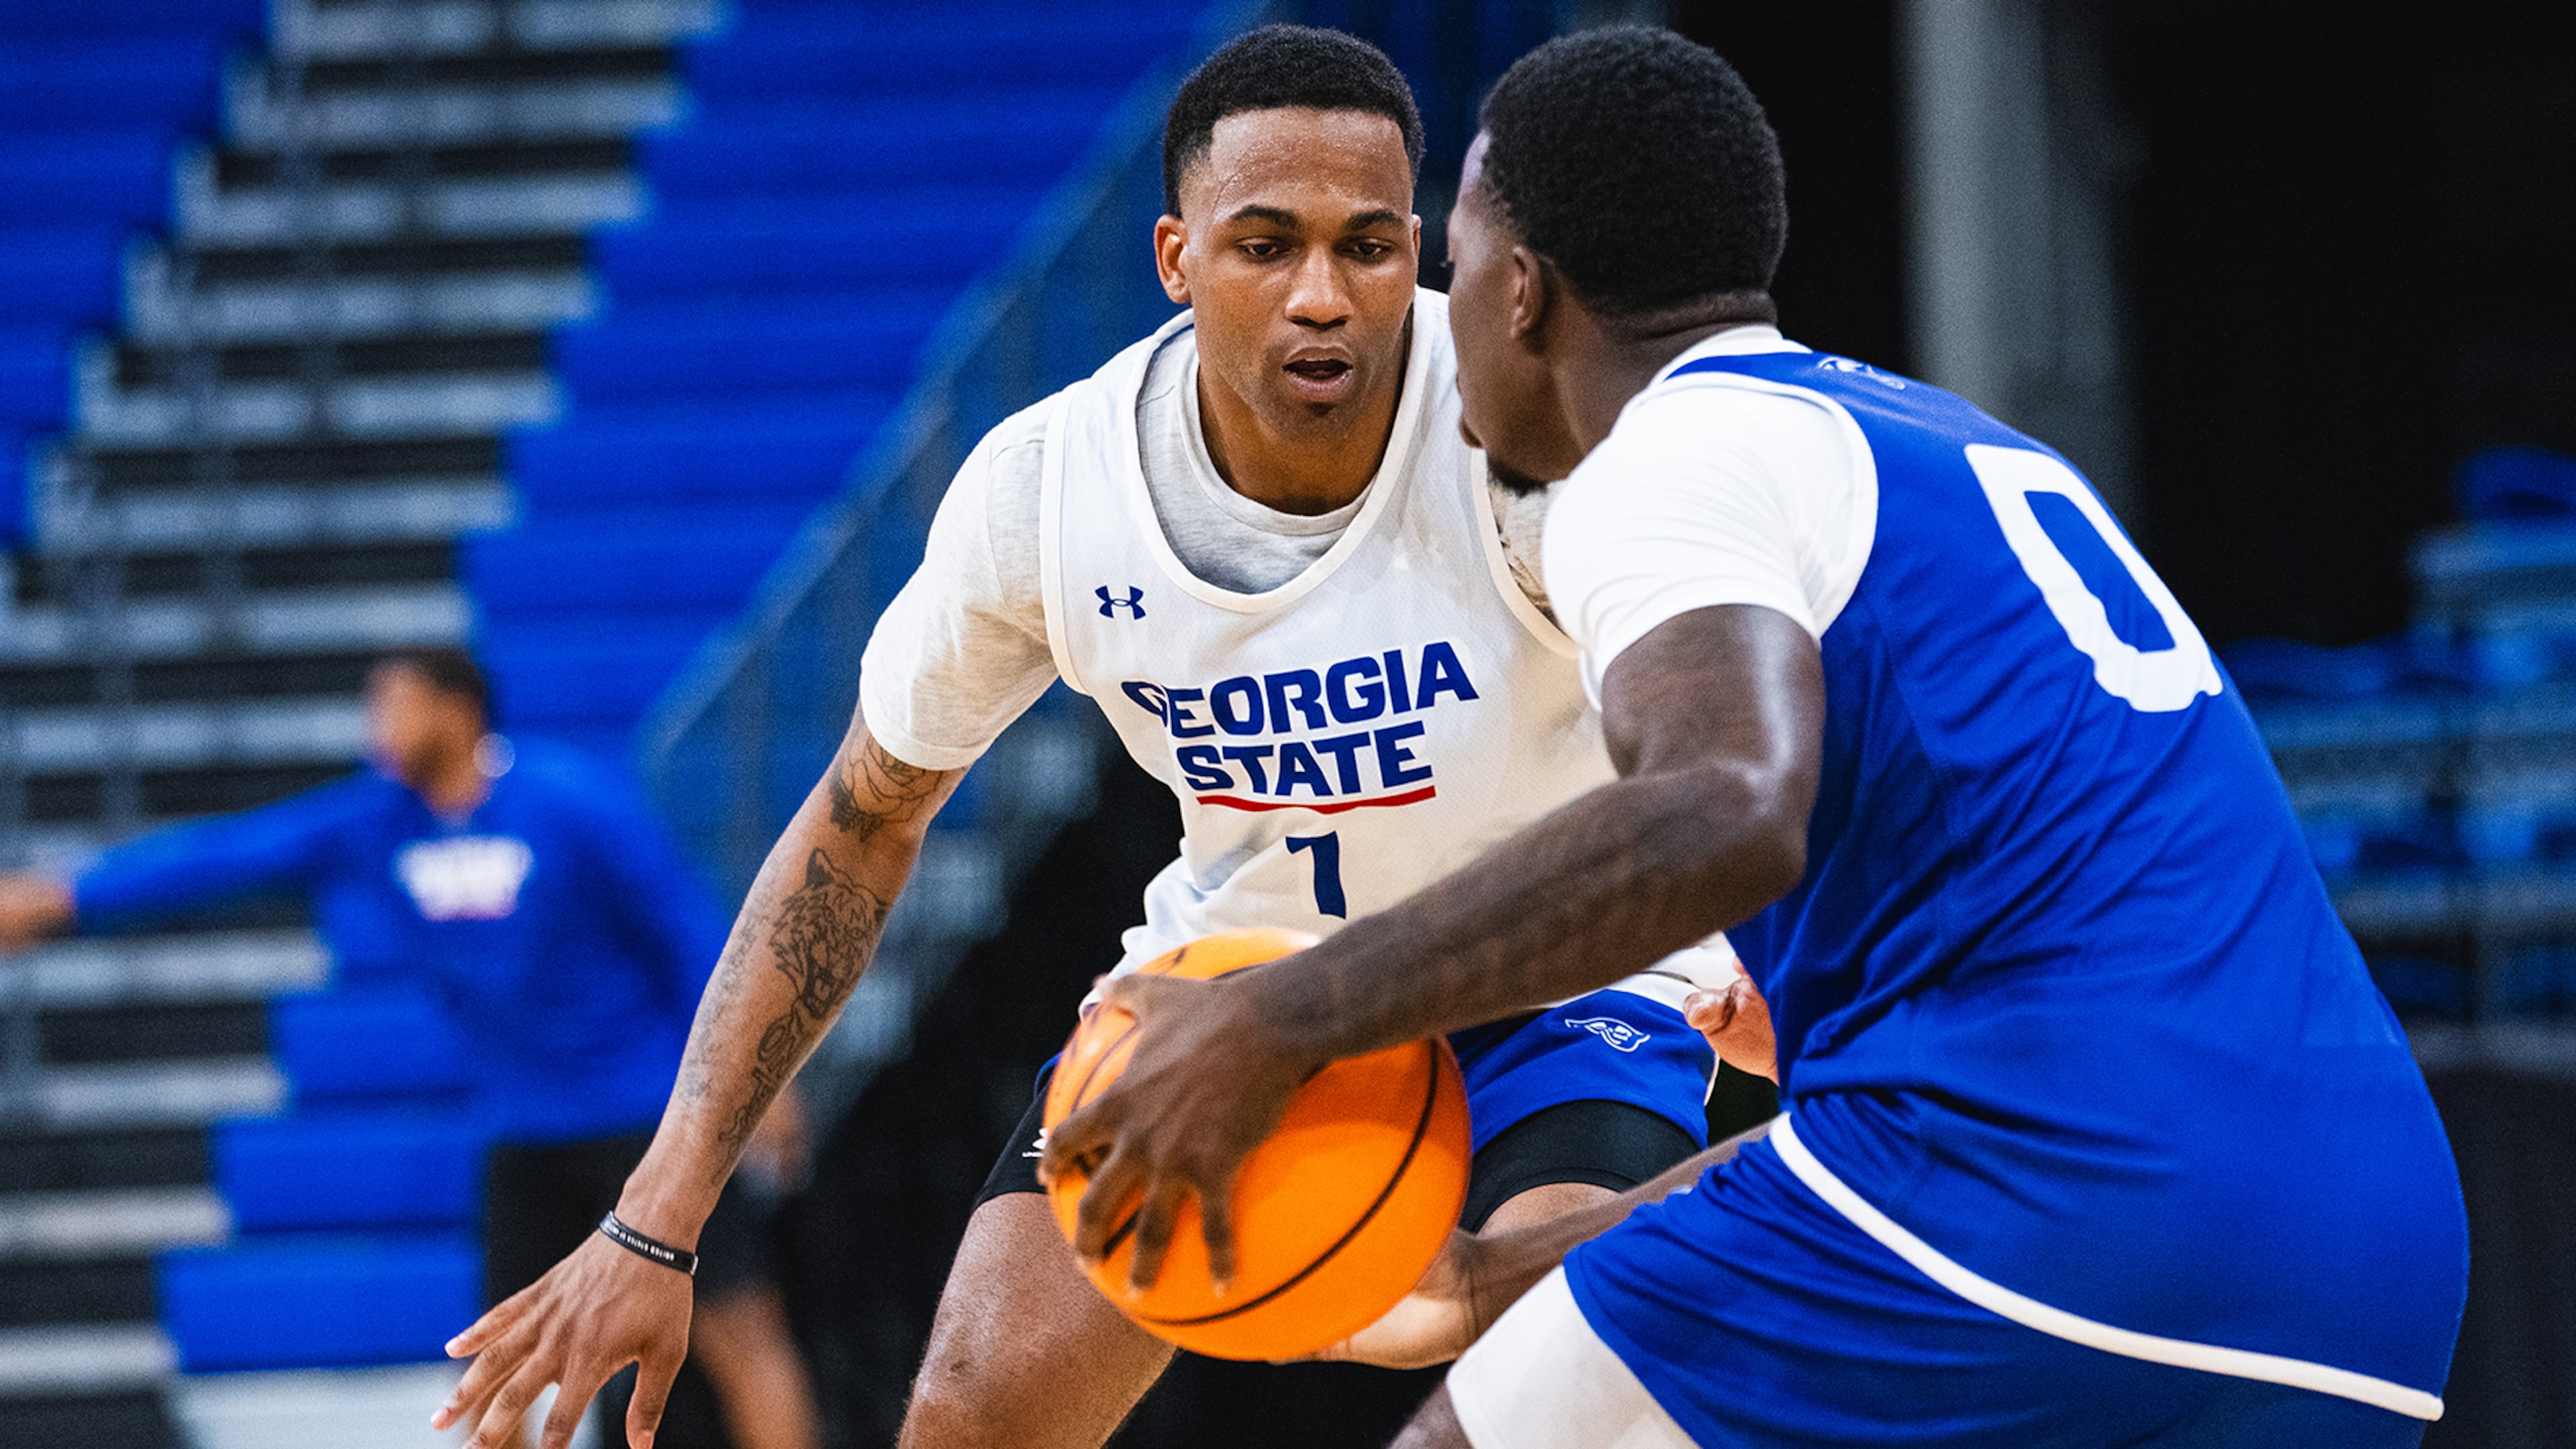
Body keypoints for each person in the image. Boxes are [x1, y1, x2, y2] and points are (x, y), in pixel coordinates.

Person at [1039, 27, 2471, 1449]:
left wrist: (1273, 1022)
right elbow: (1839, 1160)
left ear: (1525, 293)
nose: (1431, 312)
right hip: (2366, 1268)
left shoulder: (1668, 457)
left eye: (1452, 266)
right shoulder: (1954, 443)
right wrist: (1485, 1276)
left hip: (2056, 1189)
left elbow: (1722, 808)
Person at [431, 25, 1767, 1449]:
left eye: (1368, 246)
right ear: (1176, 257)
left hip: (1557, 981)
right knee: (969, 1415)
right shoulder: (1051, 493)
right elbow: (862, 823)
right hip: (1234, 987)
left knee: (1558, 1394)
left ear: (1421, 250)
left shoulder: (1534, 434)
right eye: (1266, 245)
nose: (1324, 296)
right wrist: (658, 1216)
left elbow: (1747, 759)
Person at [0, 648, 822, 1449]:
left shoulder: (570, 801)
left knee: (739, 1336)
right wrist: (64, 900)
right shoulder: (382, 821)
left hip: (641, 1121)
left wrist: (763, 1082)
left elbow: (688, 937)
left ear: (458, 710)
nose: (377, 727)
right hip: (525, 1135)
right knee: (496, 1369)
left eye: (395, 705)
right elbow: (228, 857)